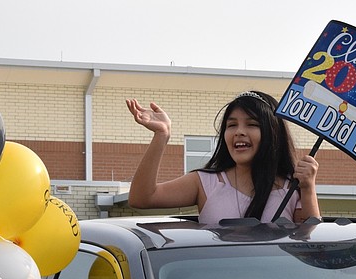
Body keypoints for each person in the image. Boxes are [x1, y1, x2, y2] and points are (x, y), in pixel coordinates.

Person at [125, 91, 321, 224]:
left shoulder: (292, 188)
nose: (239, 132)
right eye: (231, 125)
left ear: (273, 133)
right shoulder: (205, 182)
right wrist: (162, 135)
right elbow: (141, 198)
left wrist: (308, 188)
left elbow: (313, 245)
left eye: (252, 124)